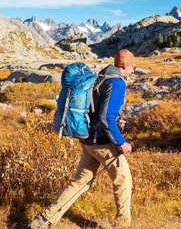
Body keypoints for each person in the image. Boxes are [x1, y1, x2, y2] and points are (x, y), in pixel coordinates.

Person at [29, 49, 136, 229]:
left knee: (80, 183)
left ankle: (42, 222)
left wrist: (118, 121)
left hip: (88, 141)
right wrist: (121, 142)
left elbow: (97, 111)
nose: (133, 71)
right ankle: (123, 226)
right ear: (125, 66)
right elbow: (106, 118)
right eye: (133, 67)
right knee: (123, 181)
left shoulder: (101, 77)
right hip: (103, 144)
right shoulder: (117, 83)